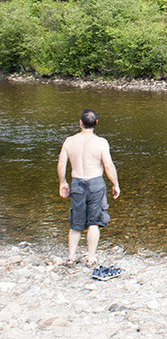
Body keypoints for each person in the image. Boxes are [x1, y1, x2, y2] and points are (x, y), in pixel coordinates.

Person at [56, 109, 121, 266]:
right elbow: (108, 166)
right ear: (96, 123)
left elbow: (61, 164)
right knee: (94, 222)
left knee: (76, 223)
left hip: (77, 183)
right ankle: (90, 257)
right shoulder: (101, 143)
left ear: (80, 123)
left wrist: (63, 182)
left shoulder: (69, 141)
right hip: (96, 184)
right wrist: (115, 184)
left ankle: (71, 256)